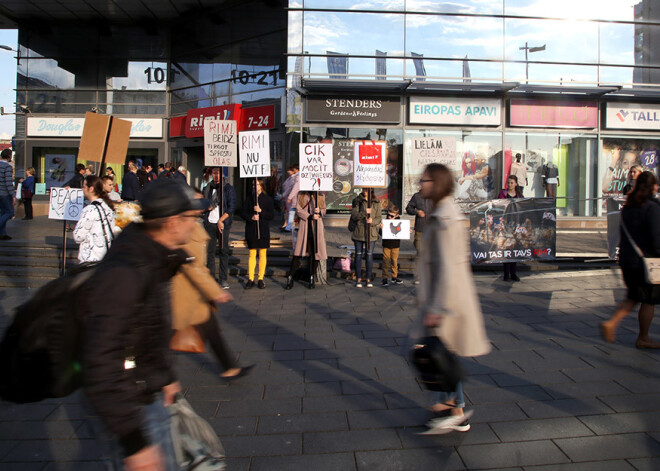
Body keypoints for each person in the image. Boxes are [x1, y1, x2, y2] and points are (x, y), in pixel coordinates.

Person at [76, 178, 205, 470]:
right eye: (189, 218)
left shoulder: (153, 256)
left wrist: (164, 376)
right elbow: (101, 358)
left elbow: (147, 327)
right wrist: (134, 443)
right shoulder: (127, 271)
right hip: (129, 405)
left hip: (147, 391)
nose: (193, 224)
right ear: (172, 222)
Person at [416, 163, 491, 434]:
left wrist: (434, 307)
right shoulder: (444, 211)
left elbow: (447, 266)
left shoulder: (444, 216)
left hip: (445, 300)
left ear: (436, 182)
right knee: (442, 353)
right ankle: (454, 409)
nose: (419, 184)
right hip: (446, 298)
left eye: (423, 180)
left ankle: (450, 409)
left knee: (438, 355)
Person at [171, 188, 253, 379]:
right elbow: (192, 266)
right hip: (185, 291)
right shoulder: (185, 228)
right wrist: (214, 291)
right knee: (169, 333)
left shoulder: (193, 224)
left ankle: (229, 367)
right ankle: (156, 377)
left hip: (195, 292)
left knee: (211, 329)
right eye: (197, 201)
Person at [601, 171, 660, 349]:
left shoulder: (628, 206)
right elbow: (656, 238)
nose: (657, 187)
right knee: (649, 299)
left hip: (627, 259)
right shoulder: (652, 207)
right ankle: (643, 337)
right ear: (651, 187)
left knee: (634, 296)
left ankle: (612, 323)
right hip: (645, 262)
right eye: (656, 184)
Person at [203, 167, 237, 289]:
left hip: (223, 224)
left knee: (223, 251)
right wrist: (206, 208)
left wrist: (221, 220)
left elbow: (231, 207)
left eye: (218, 173)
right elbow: (202, 204)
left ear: (222, 174)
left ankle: (223, 279)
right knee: (210, 252)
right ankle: (211, 277)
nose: (216, 176)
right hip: (210, 223)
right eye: (214, 173)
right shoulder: (207, 188)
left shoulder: (228, 189)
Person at [285, 191, 327, 290]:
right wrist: (310, 216)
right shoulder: (301, 194)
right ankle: (290, 276)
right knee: (298, 252)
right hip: (305, 227)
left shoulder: (320, 195)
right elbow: (298, 210)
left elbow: (324, 210)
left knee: (316, 252)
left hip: (316, 228)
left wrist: (319, 211)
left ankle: (312, 276)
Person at [73, 176, 116, 264]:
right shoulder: (107, 206)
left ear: (91, 189)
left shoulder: (89, 209)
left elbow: (78, 236)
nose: (82, 189)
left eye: (84, 186)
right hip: (107, 257)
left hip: (91, 258)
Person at [241, 178, 274, 289]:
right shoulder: (249, 199)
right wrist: (251, 217)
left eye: (257, 185)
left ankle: (260, 278)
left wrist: (261, 212)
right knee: (252, 254)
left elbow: (271, 215)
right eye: (253, 185)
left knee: (263, 254)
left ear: (262, 186)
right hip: (251, 229)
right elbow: (243, 213)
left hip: (263, 229)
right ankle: (251, 278)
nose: (255, 187)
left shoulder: (268, 199)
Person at [350, 188, 382, 288]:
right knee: (358, 255)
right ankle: (358, 278)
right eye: (364, 189)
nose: (365, 191)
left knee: (369, 255)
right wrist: (364, 213)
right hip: (359, 232)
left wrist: (372, 221)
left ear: (371, 191)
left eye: (367, 190)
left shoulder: (376, 202)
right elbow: (354, 216)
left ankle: (368, 278)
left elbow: (379, 218)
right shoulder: (357, 200)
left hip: (371, 233)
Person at [498, 175, 523, 282]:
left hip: (516, 224)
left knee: (515, 248)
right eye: (508, 183)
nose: (510, 185)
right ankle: (506, 273)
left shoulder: (519, 196)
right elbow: (498, 206)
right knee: (506, 248)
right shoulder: (503, 194)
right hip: (506, 224)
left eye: (512, 183)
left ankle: (513, 272)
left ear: (516, 184)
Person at [381, 204, 403, 286]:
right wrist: (381, 229)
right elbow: (381, 234)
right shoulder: (385, 221)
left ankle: (394, 276)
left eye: (391, 216)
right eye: (388, 215)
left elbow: (402, 231)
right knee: (385, 261)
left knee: (394, 261)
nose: (389, 217)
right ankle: (385, 278)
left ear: (396, 215)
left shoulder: (399, 222)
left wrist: (408, 231)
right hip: (386, 244)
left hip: (395, 244)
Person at [0, 148, 15, 240]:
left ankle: (3, 233)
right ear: (9, 156)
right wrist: (13, 194)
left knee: (2, 213)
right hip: (5, 193)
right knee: (10, 212)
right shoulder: (7, 167)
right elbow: (8, 182)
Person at [281, 166, 299, 232]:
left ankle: (289, 227)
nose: (288, 171)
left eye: (290, 170)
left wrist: (288, 197)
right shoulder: (293, 177)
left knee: (292, 213)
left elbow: (293, 188)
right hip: (292, 198)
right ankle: (290, 227)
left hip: (294, 198)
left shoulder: (295, 177)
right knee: (291, 213)